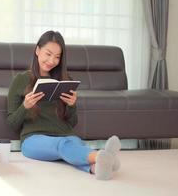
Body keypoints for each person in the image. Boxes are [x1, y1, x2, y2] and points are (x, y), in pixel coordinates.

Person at [7, 30, 121, 180]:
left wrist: (72, 105)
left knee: (69, 145)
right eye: (48, 54)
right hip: (33, 140)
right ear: (37, 50)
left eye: (57, 57)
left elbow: (72, 123)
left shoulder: (65, 80)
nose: (51, 60)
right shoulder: (21, 80)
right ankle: (101, 155)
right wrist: (25, 106)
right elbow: (12, 123)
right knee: (63, 146)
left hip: (66, 135)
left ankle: (96, 168)